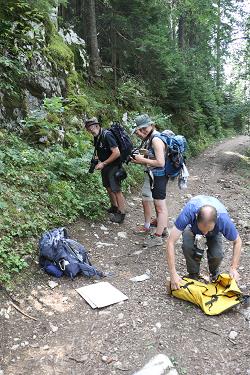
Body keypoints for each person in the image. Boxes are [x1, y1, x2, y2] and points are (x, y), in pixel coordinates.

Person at [166, 195, 242, 290]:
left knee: (217, 255)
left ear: (216, 220)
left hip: (214, 231)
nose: (204, 233)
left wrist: (233, 267)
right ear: (196, 217)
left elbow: (237, 241)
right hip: (192, 228)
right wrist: (173, 273)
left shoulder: (223, 219)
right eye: (202, 229)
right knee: (187, 247)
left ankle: (214, 274)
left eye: (208, 229)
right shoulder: (189, 212)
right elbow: (170, 242)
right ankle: (193, 274)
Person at [131, 114, 169, 247]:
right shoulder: (152, 137)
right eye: (140, 130)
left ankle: (157, 237)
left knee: (160, 207)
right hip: (156, 175)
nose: (142, 132)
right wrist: (140, 159)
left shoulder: (156, 140)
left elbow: (160, 162)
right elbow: (154, 158)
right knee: (159, 206)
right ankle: (162, 229)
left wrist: (142, 160)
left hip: (159, 175)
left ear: (152, 125)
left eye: (144, 128)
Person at [85, 117, 126, 223]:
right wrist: (98, 159)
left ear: (97, 126)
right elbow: (100, 149)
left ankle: (121, 214)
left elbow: (116, 152)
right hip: (106, 165)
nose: (89, 131)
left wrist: (103, 163)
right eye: (88, 129)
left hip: (114, 166)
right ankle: (114, 206)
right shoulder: (97, 136)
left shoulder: (107, 135)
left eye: (91, 128)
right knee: (108, 187)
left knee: (116, 190)